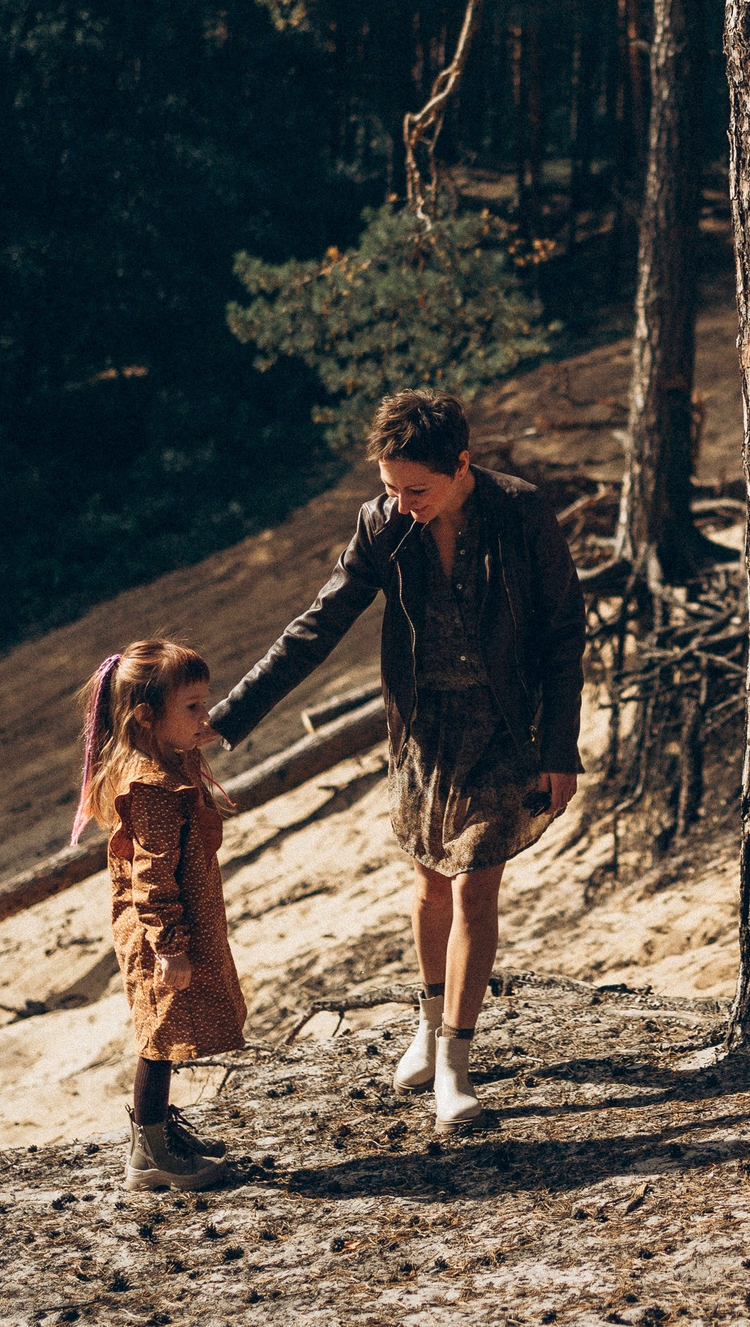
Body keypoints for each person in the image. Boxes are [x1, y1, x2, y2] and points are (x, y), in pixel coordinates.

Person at [209, 390, 584, 1132]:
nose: (403, 503)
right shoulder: (382, 525)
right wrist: (228, 719)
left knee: (476, 887)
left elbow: (563, 631)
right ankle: (427, 1017)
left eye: (418, 488)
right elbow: (315, 628)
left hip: (506, 728)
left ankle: (455, 1061)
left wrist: (560, 747)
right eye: (390, 488)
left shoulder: (522, 513)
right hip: (423, 731)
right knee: (428, 886)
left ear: (462, 464)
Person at [73, 639, 245, 1191]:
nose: (206, 716)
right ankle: (148, 1153)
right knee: (158, 1035)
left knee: (166, 1030)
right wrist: (170, 946)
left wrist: (200, 728)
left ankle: (160, 1132)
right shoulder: (150, 785)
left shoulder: (167, 760)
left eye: (206, 702)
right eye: (192, 707)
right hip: (157, 931)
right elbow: (150, 875)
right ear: (148, 719)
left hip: (174, 922)